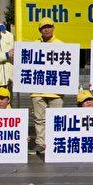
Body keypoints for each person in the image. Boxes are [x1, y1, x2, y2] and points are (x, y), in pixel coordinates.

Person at [31, 17, 64, 154]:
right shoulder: (32, 45)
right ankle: (40, 142)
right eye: (44, 27)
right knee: (39, 118)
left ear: (53, 28)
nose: (47, 29)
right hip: (38, 89)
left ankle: (54, 141)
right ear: (40, 30)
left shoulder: (61, 45)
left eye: (49, 26)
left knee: (56, 118)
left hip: (55, 90)